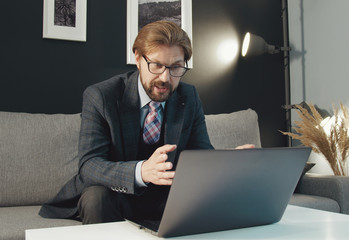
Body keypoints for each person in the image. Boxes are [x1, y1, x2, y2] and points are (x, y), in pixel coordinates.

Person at [39, 20, 253, 224]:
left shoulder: (189, 96)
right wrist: (142, 172)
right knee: (97, 197)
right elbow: (89, 166)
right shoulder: (101, 96)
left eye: (176, 68)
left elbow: (201, 154)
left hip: (164, 198)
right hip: (115, 196)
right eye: (157, 65)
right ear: (138, 58)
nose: (165, 78)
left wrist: (228, 163)